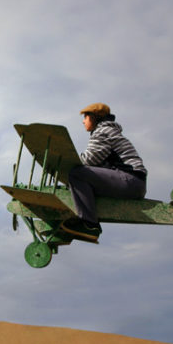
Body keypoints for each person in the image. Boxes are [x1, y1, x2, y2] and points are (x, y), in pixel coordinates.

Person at [60, 103, 147, 242]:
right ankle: (87, 220)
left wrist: (66, 162)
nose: (83, 121)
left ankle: (89, 225)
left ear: (94, 117)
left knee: (77, 173)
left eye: (85, 117)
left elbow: (89, 160)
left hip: (131, 180)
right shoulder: (108, 131)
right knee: (80, 176)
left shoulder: (103, 131)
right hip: (133, 182)